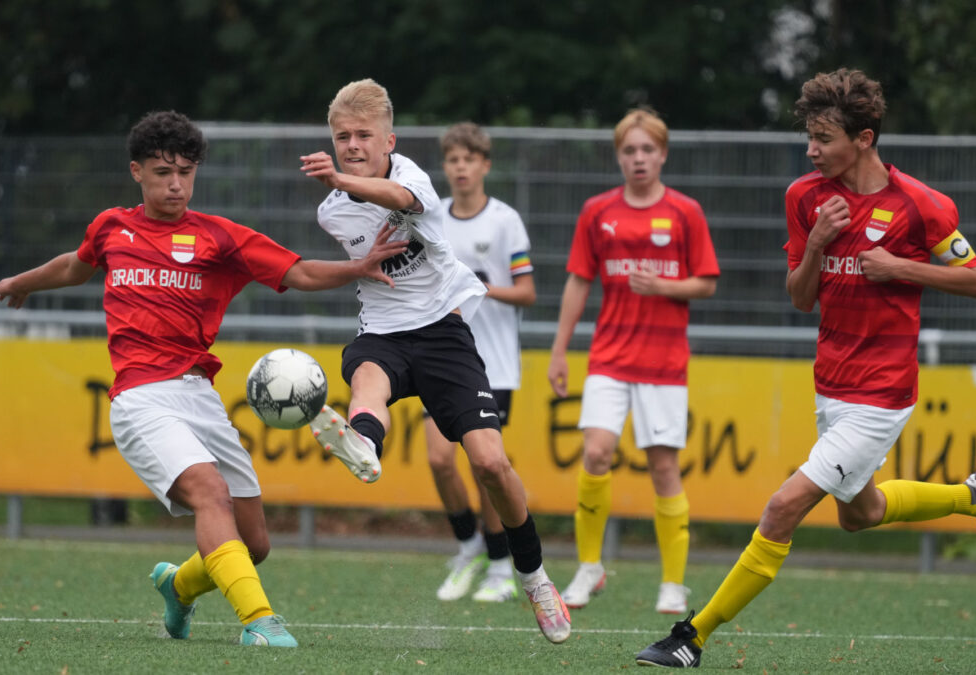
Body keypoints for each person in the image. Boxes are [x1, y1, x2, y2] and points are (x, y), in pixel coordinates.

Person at [635, 68, 976, 668]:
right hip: (831, 383)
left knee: (782, 507)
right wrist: (817, 243)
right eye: (811, 137)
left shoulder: (922, 206)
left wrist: (901, 268)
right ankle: (973, 496)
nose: (811, 149)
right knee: (860, 514)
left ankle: (692, 637)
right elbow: (799, 297)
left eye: (823, 138)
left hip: (883, 391)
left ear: (864, 138)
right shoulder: (805, 198)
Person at [0, 110, 409, 648]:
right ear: (137, 172)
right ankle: (260, 622)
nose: (176, 183)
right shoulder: (112, 226)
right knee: (210, 494)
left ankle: (178, 587)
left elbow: (295, 270)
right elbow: (74, 265)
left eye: (186, 171)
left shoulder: (218, 238)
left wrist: (357, 267)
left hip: (198, 395)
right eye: (163, 172)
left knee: (254, 544)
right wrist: (20, 282)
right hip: (140, 398)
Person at [299, 79, 571, 644]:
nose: (351, 144)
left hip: (445, 335)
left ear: (388, 139)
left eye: (363, 135)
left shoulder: (412, 176)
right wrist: (360, 265)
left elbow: (400, 203)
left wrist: (343, 178)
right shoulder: (332, 212)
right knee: (367, 379)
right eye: (342, 136)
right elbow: (362, 256)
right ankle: (364, 445)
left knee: (490, 464)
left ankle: (534, 575)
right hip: (383, 331)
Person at [547, 108, 720, 615]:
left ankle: (673, 582)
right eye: (629, 150)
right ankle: (589, 567)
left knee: (663, 467)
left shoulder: (686, 211)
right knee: (596, 452)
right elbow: (579, 279)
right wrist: (560, 349)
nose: (639, 158)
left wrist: (662, 285)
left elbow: (707, 282)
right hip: (608, 358)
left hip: (664, 362)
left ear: (663, 154)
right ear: (618, 155)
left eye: (648, 150)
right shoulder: (597, 211)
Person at [426, 122, 536, 604]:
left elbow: (527, 292)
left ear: (484, 165)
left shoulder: (504, 220)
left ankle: (497, 566)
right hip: (441, 356)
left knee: (484, 465)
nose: (461, 167)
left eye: (470, 159)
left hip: (492, 363)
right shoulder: (432, 218)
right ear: (445, 167)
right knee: (437, 458)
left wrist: (478, 286)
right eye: (453, 160)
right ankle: (468, 545)